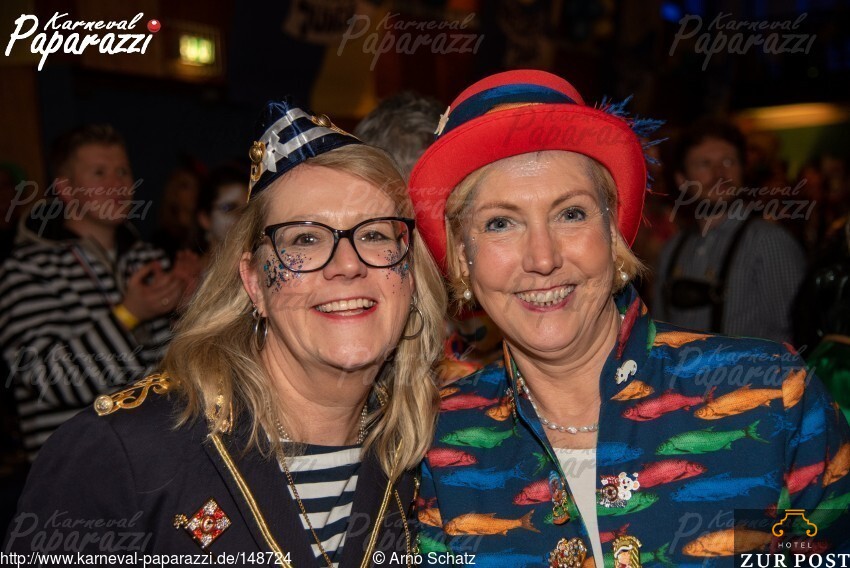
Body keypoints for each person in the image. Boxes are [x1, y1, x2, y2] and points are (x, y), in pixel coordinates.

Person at [407, 70, 850, 566]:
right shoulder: (437, 441)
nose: (543, 258)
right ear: (463, 258)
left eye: (570, 214)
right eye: (500, 223)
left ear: (613, 234)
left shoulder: (772, 395)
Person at [5, 100, 447, 566]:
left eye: (375, 234)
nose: (348, 265)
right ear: (254, 283)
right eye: (305, 238)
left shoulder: (428, 454)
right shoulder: (123, 456)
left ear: (411, 274)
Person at [0, 124, 200, 460]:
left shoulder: (148, 258)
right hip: (76, 467)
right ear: (66, 189)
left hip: (158, 458)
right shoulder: (27, 268)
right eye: (99, 173)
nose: (117, 184)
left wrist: (190, 308)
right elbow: (45, 377)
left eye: (122, 171)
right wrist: (128, 315)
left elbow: (178, 375)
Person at [653, 119, 806, 343]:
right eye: (704, 164)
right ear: (682, 180)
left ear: (743, 170)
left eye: (728, 161)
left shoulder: (769, 241)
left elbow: (794, 337)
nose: (719, 173)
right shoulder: (672, 249)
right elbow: (658, 334)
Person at [196, 164, 249, 269]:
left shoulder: (258, 269)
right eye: (229, 208)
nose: (241, 216)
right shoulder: (186, 275)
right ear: (205, 218)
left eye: (247, 209)